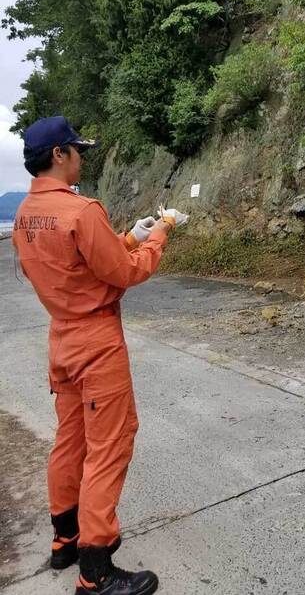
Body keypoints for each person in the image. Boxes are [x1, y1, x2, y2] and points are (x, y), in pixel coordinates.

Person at [12, 116, 188, 595]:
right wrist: (161, 233)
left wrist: (129, 234)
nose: (81, 157)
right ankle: (97, 571)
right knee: (109, 446)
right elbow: (125, 273)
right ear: (59, 155)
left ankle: (64, 540)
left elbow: (78, 268)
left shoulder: (25, 215)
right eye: (76, 149)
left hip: (62, 342)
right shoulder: (81, 210)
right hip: (95, 342)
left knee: (70, 440)